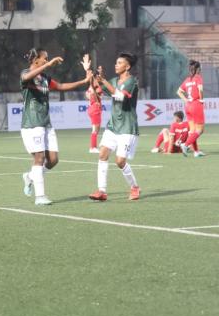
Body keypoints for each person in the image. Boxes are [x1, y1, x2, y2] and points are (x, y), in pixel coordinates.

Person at [19, 49, 92, 205]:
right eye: (45, 58)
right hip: (32, 123)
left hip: (46, 123)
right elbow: (26, 78)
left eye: (48, 59)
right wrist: (48, 65)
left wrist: (83, 82)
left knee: (53, 160)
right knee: (39, 158)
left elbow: (60, 86)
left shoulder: (44, 78)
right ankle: (40, 197)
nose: (47, 60)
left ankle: (30, 176)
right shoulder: (25, 73)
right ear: (35, 60)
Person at [89, 52, 142, 202]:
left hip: (127, 127)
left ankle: (134, 187)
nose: (116, 65)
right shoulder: (113, 80)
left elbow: (120, 96)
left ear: (127, 66)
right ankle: (102, 191)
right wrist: (92, 75)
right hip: (113, 126)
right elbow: (97, 89)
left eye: (119, 63)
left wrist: (103, 80)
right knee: (102, 154)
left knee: (120, 161)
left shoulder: (132, 82)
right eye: (116, 62)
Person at [176, 59, 206, 157]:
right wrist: (201, 99)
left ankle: (196, 152)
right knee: (200, 130)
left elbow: (179, 91)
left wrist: (186, 100)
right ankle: (186, 144)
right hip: (196, 105)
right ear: (197, 69)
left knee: (192, 131)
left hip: (188, 106)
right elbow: (200, 89)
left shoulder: (187, 80)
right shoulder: (198, 78)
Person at [86, 65, 104, 154]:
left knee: (95, 129)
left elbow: (87, 96)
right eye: (99, 76)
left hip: (91, 107)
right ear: (96, 77)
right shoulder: (96, 87)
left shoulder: (90, 87)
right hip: (95, 108)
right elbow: (98, 95)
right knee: (95, 130)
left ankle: (94, 146)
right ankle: (93, 147)